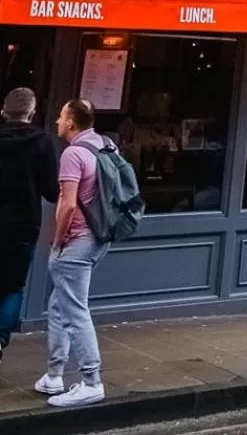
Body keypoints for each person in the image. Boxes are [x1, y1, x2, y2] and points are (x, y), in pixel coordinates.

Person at [36, 100, 109, 408]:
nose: (56, 121)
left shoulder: (73, 153)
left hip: (77, 239)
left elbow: (66, 205)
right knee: (60, 304)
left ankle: (92, 381)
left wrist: (56, 242)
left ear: (71, 123)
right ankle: (54, 375)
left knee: (75, 310)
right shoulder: (106, 146)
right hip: (99, 237)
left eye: (61, 117)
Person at [0, 89, 57, 361]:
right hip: (22, 225)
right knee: (12, 286)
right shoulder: (42, 142)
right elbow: (52, 191)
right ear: (32, 113)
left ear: (3, 112)